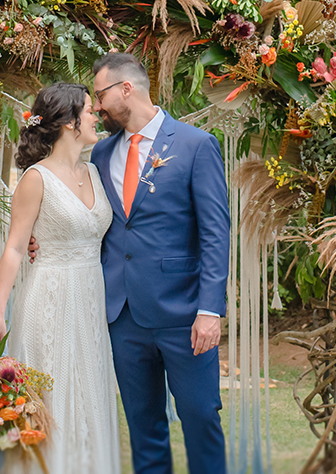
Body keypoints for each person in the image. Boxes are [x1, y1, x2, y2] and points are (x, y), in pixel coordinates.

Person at [90, 51, 230, 474]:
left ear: (126, 89)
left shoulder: (195, 145)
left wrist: (210, 309)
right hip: (124, 315)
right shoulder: (100, 154)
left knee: (201, 417)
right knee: (143, 426)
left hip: (184, 314)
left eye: (101, 95)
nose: (97, 106)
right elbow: (97, 224)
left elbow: (215, 233)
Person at [0, 82, 121, 474]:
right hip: (50, 299)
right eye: (90, 110)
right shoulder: (35, 179)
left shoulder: (93, 170)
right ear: (70, 122)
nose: (96, 116)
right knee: (53, 399)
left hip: (91, 300)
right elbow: (14, 247)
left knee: (89, 396)